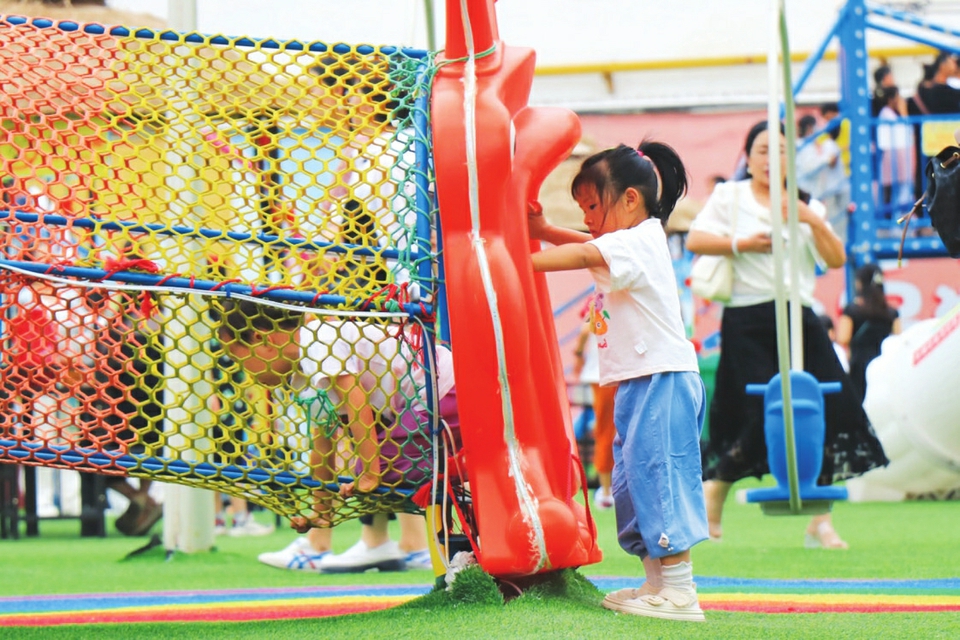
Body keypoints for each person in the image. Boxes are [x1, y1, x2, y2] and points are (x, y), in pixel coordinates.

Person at [685, 120, 888, 551]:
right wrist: (743, 244)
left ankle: (820, 519)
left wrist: (810, 218)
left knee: (828, 406)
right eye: (761, 150)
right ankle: (715, 496)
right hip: (746, 317)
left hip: (799, 315)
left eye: (779, 150)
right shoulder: (730, 196)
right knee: (753, 410)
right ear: (748, 155)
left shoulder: (806, 203)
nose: (769, 159)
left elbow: (834, 258)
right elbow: (696, 241)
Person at [529, 141, 708, 622]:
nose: (586, 216)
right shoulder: (628, 241)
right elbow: (591, 250)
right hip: (639, 380)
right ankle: (656, 583)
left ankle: (679, 590)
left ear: (630, 199)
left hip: (661, 378)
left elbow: (584, 254)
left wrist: (515, 261)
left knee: (659, 477)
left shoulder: (640, 238)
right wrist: (545, 231)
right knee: (633, 483)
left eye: (593, 205)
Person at [217, 299, 456, 572]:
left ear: (261, 338)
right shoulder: (304, 375)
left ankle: (460, 471)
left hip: (446, 390)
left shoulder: (317, 338)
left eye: (240, 358)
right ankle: (457, 472)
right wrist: (322, 512)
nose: (245, 371)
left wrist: (369, 471)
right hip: (429, 403)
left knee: (386, 468)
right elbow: (323, 445)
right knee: (380, 468)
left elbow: (356, 400)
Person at [570, 300, 615, 510]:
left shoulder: (601, 300)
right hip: (608, 374)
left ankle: (607, 490)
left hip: (606, 375)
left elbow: (584, 330)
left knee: (607, 430)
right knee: (608, 430)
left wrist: (579, 355)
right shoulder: (603, 300)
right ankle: (607, 490)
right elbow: (585, 329)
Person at [836, 264, 901, 403]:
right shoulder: (891, 313)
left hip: (858, 369)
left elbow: (843, 338)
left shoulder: (852, 311)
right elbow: (897, 340)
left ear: (860, 284)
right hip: (883, 367)